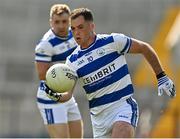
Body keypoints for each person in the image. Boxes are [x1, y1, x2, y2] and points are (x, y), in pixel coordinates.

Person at [45, 8, 176, 138]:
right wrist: (56, 96)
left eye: (80, 27)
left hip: (122, 107)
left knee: (122, 130)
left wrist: (161, 76)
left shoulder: (113, 41)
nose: (76, 32)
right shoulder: (72, 61)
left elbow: (144, 48)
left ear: (91, 26)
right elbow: (68, 95)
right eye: (73, 29)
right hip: (99, 121)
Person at [34, 4, 83, 138]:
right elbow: (42, 74)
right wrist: (65, 73)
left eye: (64, 21)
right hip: (50, 96)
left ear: (70, 21)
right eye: (57, 22)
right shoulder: (46, 44)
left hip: (67, 95)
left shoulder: (74, 35)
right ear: (51, 22)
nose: (61, 26)